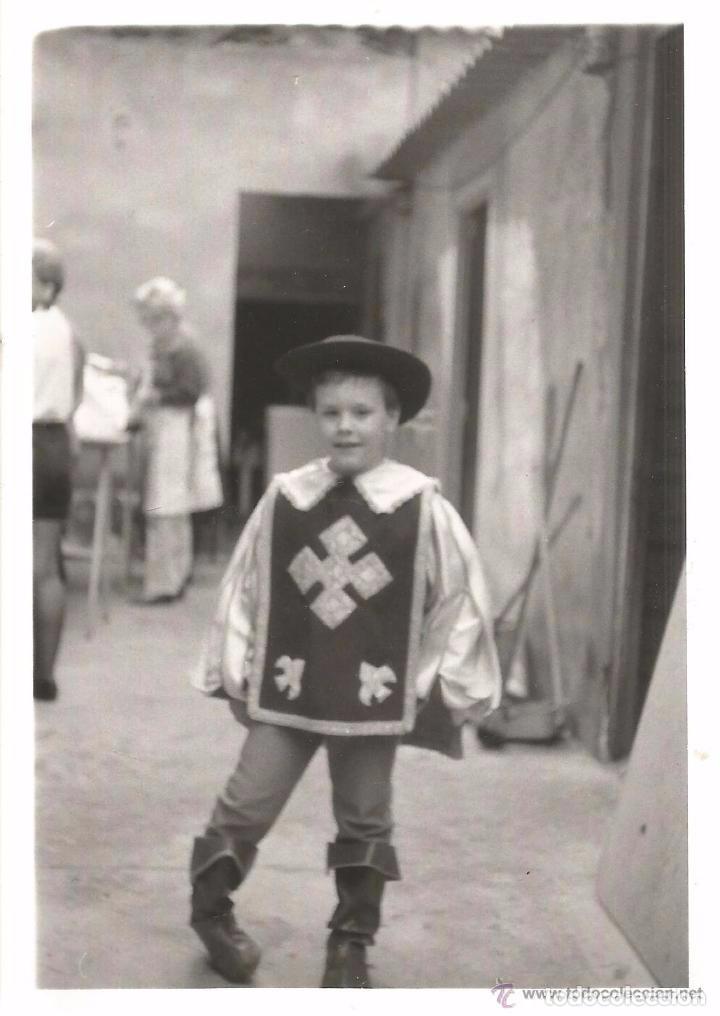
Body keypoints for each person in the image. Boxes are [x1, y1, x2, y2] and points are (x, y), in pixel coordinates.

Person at [189, 335, 502, 987]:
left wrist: (431, 684)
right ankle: (211, 913)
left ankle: (351, 940)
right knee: (247, 802)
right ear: (316, 418)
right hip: (289, 683)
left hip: (370, 692)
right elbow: (246, 585)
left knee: (364, 813)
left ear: (392, 420)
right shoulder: (287, 495)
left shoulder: (423, 505)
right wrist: (236, 665)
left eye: (362, 412)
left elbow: (459, 599)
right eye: (331, 412)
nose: (346, 426)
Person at [130, 277, 222, 604]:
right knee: (167, 505)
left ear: (170, 316)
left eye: (154, 320)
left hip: (178, 431)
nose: (150, 327)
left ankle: (165, 583)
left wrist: (155, 397)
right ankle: (171, 577)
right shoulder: (165, 346)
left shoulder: (185, 349)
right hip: (166, 429)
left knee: (166, 505)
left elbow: (189, 392)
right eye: (147, 321)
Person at [32, 237, 85, 701]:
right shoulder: (70, 334)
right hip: (51, 445)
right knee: (46, 564)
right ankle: (43, 675)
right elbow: (76, 396)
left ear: (46, 288)